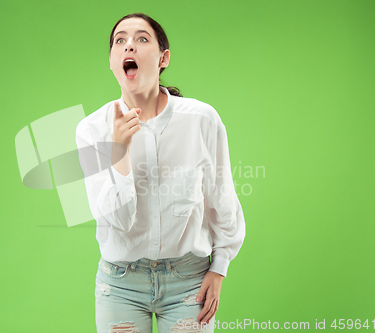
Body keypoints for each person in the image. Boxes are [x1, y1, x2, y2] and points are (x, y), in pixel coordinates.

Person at [75, 12, 246, 333]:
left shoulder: (202, 119)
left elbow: (221, 196)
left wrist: (220, 267)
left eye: (142, 39)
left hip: (189, 281)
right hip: (120, 285)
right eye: (120, 41)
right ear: (112, 61)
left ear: (163, 58)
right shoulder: (91, 130)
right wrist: (119, 151)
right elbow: (116, 219)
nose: (129, 47)